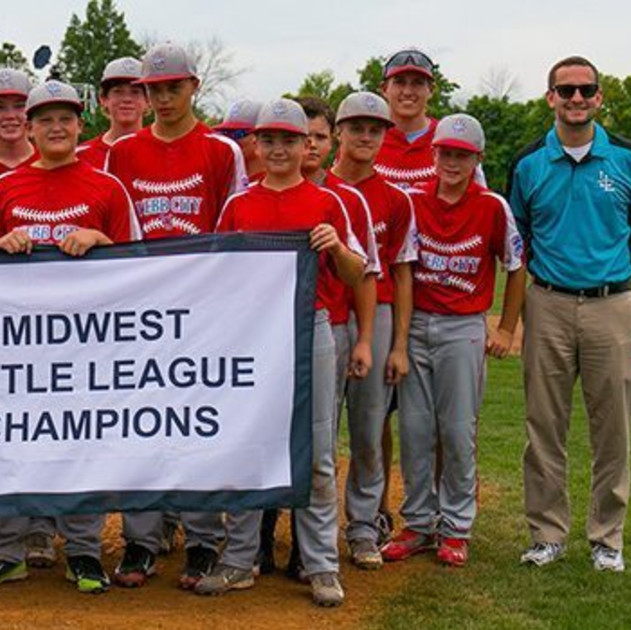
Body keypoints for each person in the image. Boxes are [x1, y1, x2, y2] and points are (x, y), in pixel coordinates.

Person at [0, 80, 140, 594]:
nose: (56, 127)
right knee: (12, 441)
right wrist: (0, 244)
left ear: (79, 124)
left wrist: (102, 239)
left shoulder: (107, 187)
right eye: (46, 119)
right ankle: (5, 553)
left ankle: (84, 553)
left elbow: (143, 268)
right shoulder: (6, 187)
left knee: (82, 443)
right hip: (17, 340)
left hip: (87, 340)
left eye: (65, 118)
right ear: (32, 127)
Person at [197, 98, 367, 606]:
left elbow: (358, 274)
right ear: (256, 144)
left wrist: (336, 248)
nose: (277, 149)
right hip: (252, 333)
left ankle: (321, 565)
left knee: (315, 452)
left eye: (289, 140)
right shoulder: (239, 204)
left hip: (309, 328)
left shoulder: (326, 202)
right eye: (268, 140)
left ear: (306, 145)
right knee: (250, 446)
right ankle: (240, 559)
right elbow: (214, 275)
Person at [105, 41, 244, 591]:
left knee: (197, 423)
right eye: (153, 89)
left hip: (202, 306)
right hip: (141, 306)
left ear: (194, 88)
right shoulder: (124, 152)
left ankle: (203, 540)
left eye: (173, 87)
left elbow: (234, 228)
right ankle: (140, 541)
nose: (163, 98)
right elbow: (119, 225)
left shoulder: (219, 151)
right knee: (140, 422)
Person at [508, 56, 631, 573]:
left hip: (612, 303)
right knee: (543, 424)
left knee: (613, 426)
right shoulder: (528, 163)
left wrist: (605, 269)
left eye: (585, 90)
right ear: (549, 97)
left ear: (598, 97)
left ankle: (607, 539)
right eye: (564, 91)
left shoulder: (628, 160)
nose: (575, 99)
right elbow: (520, 236)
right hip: (546, 302)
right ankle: (547, 534)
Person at [384, 114, 525, 567]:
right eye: (445, 153)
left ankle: (457, 526)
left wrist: (504, 327)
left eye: (462, 155)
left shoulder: (491, 206)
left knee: (458, 430)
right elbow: (402, 268)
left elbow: (516, 265)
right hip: (419, 322)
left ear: (476, 160)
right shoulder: (413, 202)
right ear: (434, 154)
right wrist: (401, 340)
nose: (451, 162)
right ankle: (419, 523)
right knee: (415, 430)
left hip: (463, 327)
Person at [329, 92, 418, 569]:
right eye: (357, 127)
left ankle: (364, 526)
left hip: (377, 316)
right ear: (338, 132)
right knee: (317, 433)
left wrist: (399, 344)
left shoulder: (395, 198)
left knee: (367, 430)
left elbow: (402, 273)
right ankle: (313, 530)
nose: (366, 137)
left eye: (375, 129)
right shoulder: (315, 186)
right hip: (322, 315)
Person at [375, 49, 440, 188]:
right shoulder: (363, 139)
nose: (408, 92)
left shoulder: (448, 137)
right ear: (384, 89)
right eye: (399, 82)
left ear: (431, 90)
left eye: (417, 83)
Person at [76, 57, 147, 169]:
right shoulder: (81, 156)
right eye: (118, 92)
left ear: (148, 100)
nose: (127, 99)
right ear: (103, 99)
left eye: (135, 92)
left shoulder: (162, 151)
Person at [213, 99, 264, 181]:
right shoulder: (222, 181)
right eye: (225, 133)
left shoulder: (277, 182)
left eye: (238, 133)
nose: (230, 139)